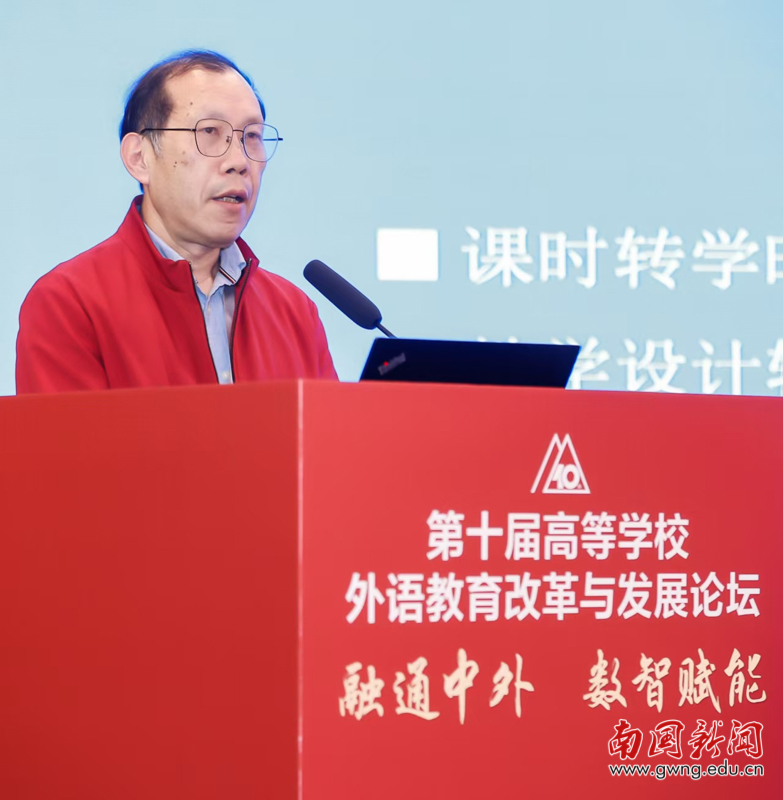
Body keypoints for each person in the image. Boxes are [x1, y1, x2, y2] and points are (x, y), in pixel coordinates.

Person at [16, 50, 337, 394]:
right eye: (210, 131)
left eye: (252, 137)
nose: (239, 161)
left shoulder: (295, 313)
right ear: (139, 158)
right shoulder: (70, 304)